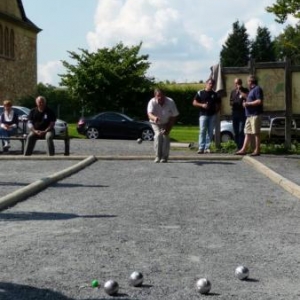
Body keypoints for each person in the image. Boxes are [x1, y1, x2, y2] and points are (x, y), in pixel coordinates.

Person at [147, 88, 179, 163]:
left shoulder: (170, 102)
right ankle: (157, 156)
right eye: (158, 96)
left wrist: (168, 129)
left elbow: (174, 116)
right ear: (155, 96)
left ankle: (164, 157)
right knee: (158, 135)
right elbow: (149, 114)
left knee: (165, 136)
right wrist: (154, 118)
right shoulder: (152, 102)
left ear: (165, 96)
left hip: (166, 122)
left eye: (162, 96)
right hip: (155, 122)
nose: (160, 98)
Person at [235, 75, 263, 156]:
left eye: (248, 81)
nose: (247, 83)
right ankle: (243, 149)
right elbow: (248, 97)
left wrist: (248, 103)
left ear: (251, 81)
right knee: (247, 132)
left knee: (256, 133)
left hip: (255, 115)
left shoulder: (257, 89)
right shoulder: (251, 90)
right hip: (249, 115)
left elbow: (259, 101)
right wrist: (245, 103)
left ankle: (257, 150)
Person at [192, 78, 221, 154]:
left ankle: (207, 148)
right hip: (203, 115)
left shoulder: (215, 94)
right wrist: (202, 105)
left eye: (212, 84)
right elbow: (194, 102)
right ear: (206, 83)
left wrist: (215, 112)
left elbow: (218, 105)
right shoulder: (200, 92)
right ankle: (201, 147)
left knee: (210, 132)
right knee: (202, 131)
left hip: (212, 115)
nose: (211, 85)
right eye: (210, 83)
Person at [230, 78, 249, 150]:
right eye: (235, 83)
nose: (237, 85)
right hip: (235, 112)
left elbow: (247, 98)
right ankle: (238, 146)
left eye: (238, 83)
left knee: (241, 130)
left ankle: (241, 147)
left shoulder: (245, 90)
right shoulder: (233, 92)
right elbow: (230, 101)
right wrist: (233, 103)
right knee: (236, 131)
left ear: (241, 83)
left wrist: (240, 91)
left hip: (242, 113)